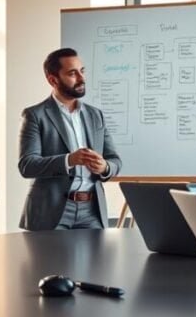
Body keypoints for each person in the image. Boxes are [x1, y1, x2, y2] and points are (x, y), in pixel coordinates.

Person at [18, 48, 122, 230]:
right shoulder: (35, 115)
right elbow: (27, 165)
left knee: (96, 260)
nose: (81, 78)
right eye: (72, 73)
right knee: (50, 260)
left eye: (82, 71)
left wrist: (104, 167)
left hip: (92, 211)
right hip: (51, 212)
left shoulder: (95, 115)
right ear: (53, 79)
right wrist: (68, 160)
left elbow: (115, 160)